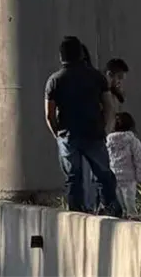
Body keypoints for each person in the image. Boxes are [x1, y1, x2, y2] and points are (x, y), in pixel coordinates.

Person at [44, 36, 122, 216]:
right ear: (80, 54)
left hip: (67, 135)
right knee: (103, 174)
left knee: (73, 177)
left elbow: (49, 114)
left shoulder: (54, 80)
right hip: (93, 133)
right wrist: (105, 129)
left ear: (61, 56)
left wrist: (58, 134)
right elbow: (109, 107)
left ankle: (76, 212)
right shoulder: (96, 77)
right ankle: (111, 208)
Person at [106, 112, 141, 218]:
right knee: (131, 207)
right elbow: (138, 160)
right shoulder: (133, 141)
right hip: (129, 177)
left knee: (118, 209)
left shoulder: (108, 141)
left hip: (113, 176)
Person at [103, 59, 130, 134]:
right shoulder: (99, 91)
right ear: (109, 75)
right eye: (119, 78)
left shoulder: (115, 92)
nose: (120, 83)